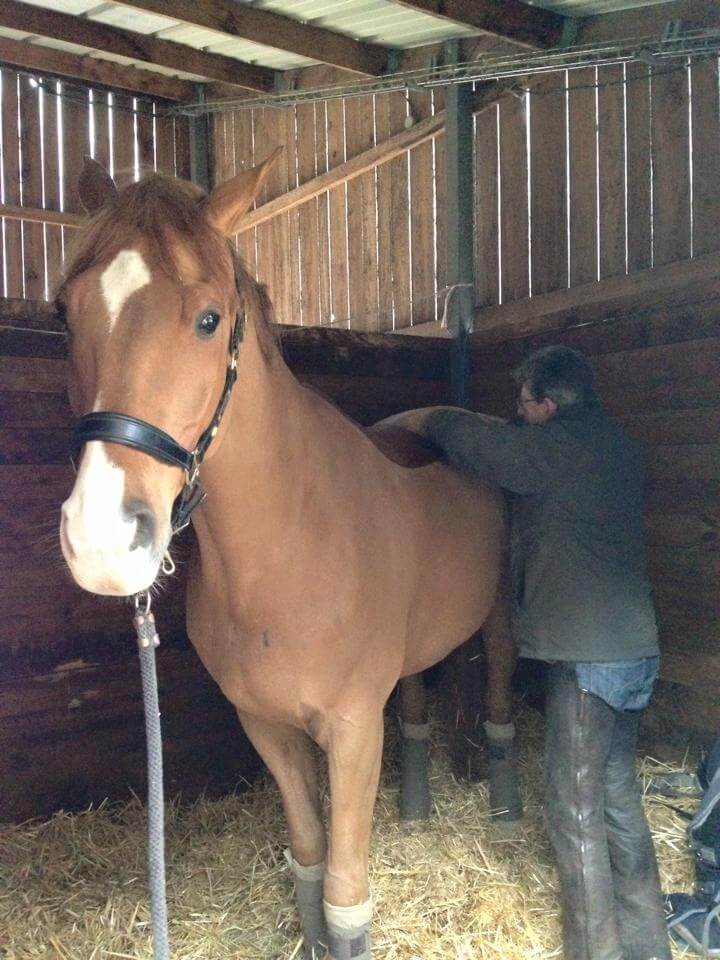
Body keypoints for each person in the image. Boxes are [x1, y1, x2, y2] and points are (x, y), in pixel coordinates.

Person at [408, 345, 671, 960]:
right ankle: (647, 945)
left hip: (588, 661)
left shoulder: (553, 450)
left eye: (525, 404)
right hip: (635, 648)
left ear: (549, 406)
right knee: (616, 797)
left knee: (572, 810)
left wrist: (426, 418)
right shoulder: (617, 444)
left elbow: (486, 449)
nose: (519, 413)